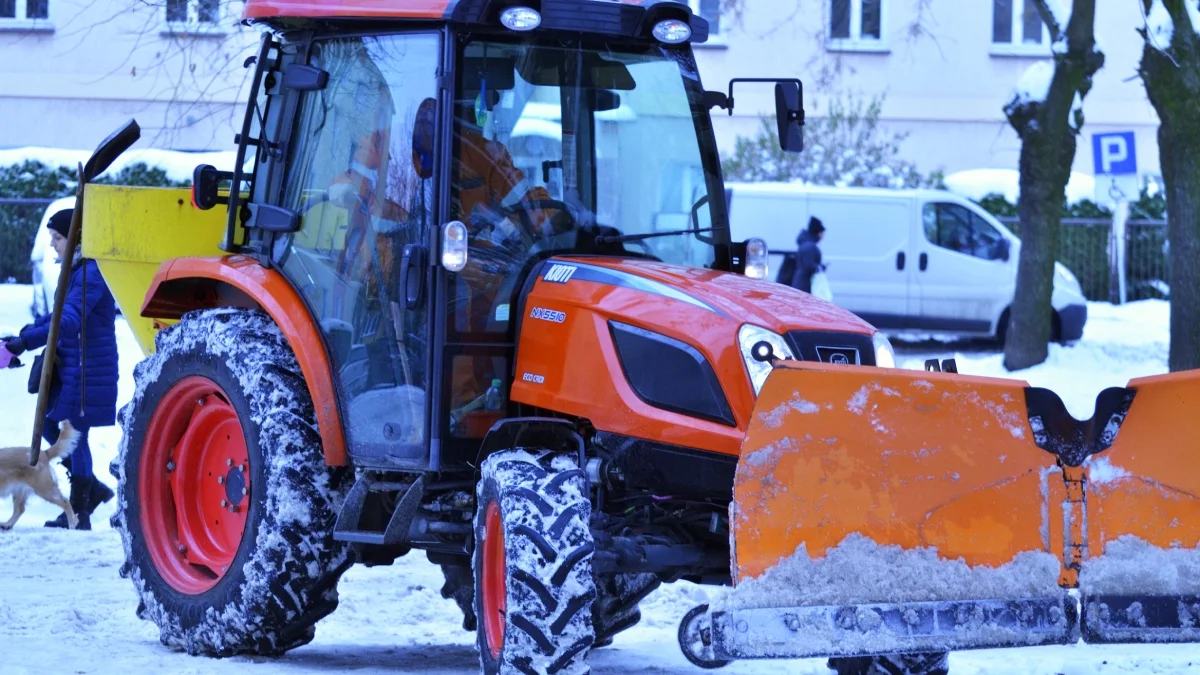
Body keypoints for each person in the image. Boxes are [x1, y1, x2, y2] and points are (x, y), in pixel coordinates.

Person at [1, 208, 118, 530]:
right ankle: (90, 489)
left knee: (73, 432)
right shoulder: (78, 270)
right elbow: (55, 315)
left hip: (87, 369)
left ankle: (79, 512)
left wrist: (24, 344)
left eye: (57, 238)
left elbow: (66, 322)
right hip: (74, 366)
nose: (52, 245)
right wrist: (21, 337)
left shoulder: (89, 274)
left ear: (76, 238)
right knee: (55, 429)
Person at [788, 216, 827, 294]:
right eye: (822, 233)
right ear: (818, 233)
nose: (823, 236)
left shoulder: (806, 244)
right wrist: (821, 267)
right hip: (804, 285)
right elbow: (808, 266)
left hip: (801, 283)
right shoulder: (810, 247)